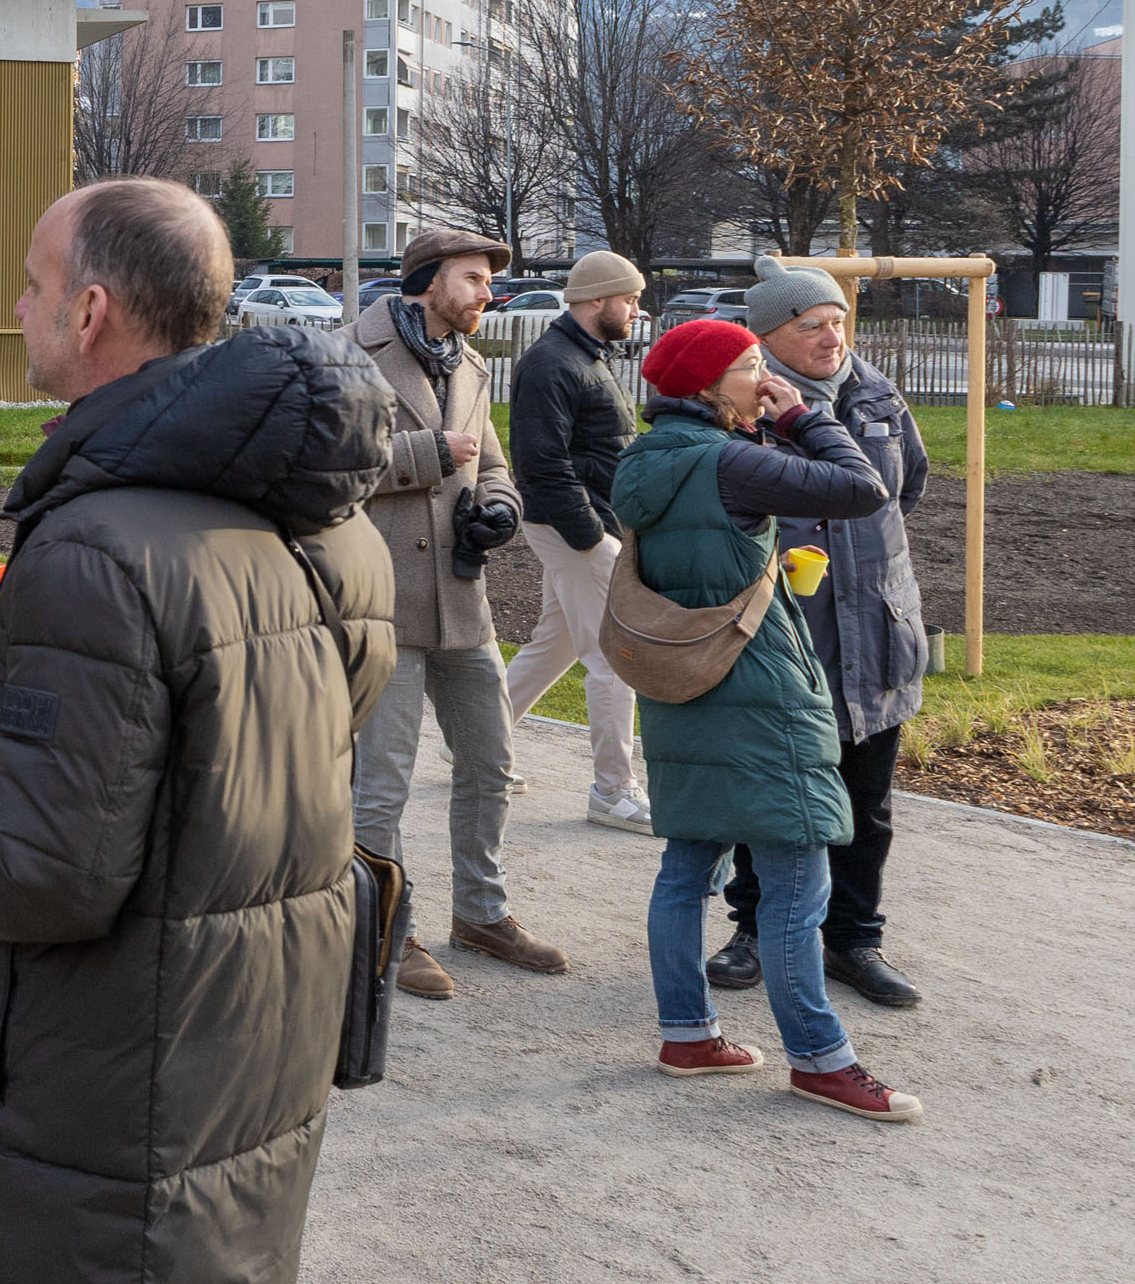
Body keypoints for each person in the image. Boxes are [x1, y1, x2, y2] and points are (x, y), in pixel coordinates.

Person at [0, 178, 397, 1282]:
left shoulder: (101, 547)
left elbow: (46, 871)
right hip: (246, 1051)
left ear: (92, 309)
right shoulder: (332, 527)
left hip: (94, 1093)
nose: (16, 307)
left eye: (33, 285)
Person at [611, 317, 918, 1121]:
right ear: (710, 388)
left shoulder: (645, 460)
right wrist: (802, 417)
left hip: (685, 684)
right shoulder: (733, 461)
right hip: (758, 691)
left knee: (686, 867)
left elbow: (697, 551)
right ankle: (820, 1058)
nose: (764, 378)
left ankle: (688, 1034)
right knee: (796, 879)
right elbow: (863, 488)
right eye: (751, 367)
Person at [708, 255, 933, 1009]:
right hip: (788, 633)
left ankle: (853, 941)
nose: (832, 336)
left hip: (877, 623)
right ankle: (754, 930)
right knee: (771, 791)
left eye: (838, 321)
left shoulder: (877, 394)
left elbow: (910, 487)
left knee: (868, 803)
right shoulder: (743, 403)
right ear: (771, 336)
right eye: (813, 326)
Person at [350, 227, 565, 999]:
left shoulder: (468, 361)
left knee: (491, 764)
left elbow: (493, 462)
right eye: (473, 280)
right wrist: (432, 455)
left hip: (461, 597)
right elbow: (328, 466)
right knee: (382, 783)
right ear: (427, 279)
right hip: (383, 603)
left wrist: (500, 510)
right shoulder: (352, 354)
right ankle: (384, 930)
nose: (487, 294)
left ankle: (481, 914)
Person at [504, 248, 651, 834]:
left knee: (555, 644)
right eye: (631, 299)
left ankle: (476, 746)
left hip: (582, 523)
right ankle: (613, 792)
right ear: (598, 301)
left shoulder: (587, 354)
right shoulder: (552, 362)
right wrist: (592, 538)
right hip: (575, 527)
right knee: (614, 657)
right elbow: (541, 463)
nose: (638, 310)